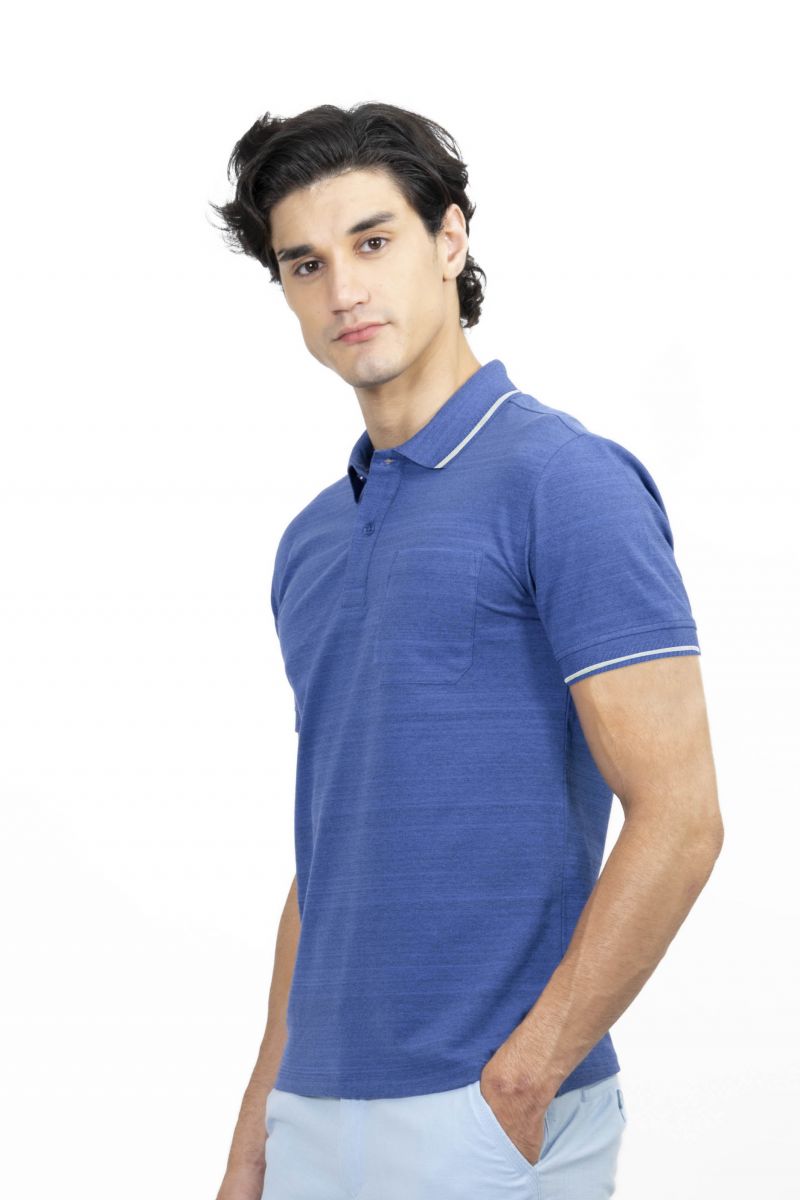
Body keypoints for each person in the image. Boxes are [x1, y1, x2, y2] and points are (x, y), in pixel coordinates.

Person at [210, 102, 724, 1200]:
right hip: (310, 1114)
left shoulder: (565, 482)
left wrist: (523, 1080)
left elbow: (681, 817)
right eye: (305, 264)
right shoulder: (311, 541)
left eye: (373, 241)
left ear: (449, 239)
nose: (342, 290)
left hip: (485, 1117)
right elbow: (331, 848)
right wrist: (256, 1130)